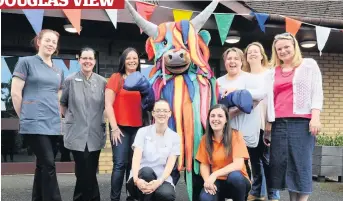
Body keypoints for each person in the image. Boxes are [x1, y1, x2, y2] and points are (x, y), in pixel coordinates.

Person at [267, 32, 323, 201]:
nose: (283, 51)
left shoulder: (308, 65)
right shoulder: (272, 71)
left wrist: (315, 117)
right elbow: (268, 99)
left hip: (301, 122)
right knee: (285, 164)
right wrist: (268, 123)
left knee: (301, 164)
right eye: (279, 49)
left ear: (294, 47)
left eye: (286, 47)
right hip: (278, 123)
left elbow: (317, 92)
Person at [11, 29, 64, 201]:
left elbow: (58, 96)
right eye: (47, 40)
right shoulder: (26, 62)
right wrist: (25, 116)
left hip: (53, 123)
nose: (50, 44)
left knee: (42, 165)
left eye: (54, 42)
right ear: (39, 42)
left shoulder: (58, 70)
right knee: (49, 164)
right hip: (34, 121)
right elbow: (15, 93)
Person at [60, 47, 107, 201]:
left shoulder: (102, 82)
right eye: (84, 58)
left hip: (95, 133)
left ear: (95, 61)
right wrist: (69, 119)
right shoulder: (70, 80)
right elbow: (63, 104)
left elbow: (108, 105)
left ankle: (86, 198)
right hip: (77, 133)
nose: (87, 61)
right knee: (81, 171)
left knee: (91, 170)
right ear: (78, 59)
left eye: (90, 58)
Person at [216, 47, 266, 178]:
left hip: (246, 129)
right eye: (229, 58)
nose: (232, 61)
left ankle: (246, 193)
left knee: (244, 163)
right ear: (224, 62)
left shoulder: (251, 79)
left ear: (241, 61)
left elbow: (260, 96)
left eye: (236, 58)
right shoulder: (218, 82)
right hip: (226, 130)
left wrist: (236, 97)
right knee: (225, 163)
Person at [243, 42, 280, 201]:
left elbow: (274, 100)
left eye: (255, 51)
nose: (252, 54)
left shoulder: (270, 74)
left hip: (266, 122)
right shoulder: (244, 76)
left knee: (268, 160)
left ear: (262, 55)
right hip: (249, 124)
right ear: (246, 57)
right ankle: (257, 191)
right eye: (249, 52)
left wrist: (269, 123)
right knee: (254, 160)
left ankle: (273, 193)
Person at [105, 47, 143, 201]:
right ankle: (114, 199)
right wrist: (114, 128)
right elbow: (108, 105)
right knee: (120, 164)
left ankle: (130, 197)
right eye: (128, 58)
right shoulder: (116, 77)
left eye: (135, 58)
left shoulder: (141, 79)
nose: (132, 61)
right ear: (123, 61)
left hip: (138, 129)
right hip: (119, 128)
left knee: (133, 166)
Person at [126, 99, 180, 201]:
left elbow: (170, 165)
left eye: (165, 111)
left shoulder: (175, 137)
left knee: (167, 195)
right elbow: (136, 158)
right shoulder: (142, 132)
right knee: (147, 172)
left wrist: (158, 182)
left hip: (161, 178)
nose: (161, 114)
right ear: (153, 113)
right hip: (140, 177)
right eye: (158, 111)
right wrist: (137, 180)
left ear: (170, 114)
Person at [196, 104, 251, 201]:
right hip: (218, 182)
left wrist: (214, 174)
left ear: (226, 120)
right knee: (205, 198)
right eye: (212, 116)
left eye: (220, 116)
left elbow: (238, 164)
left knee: (235, 177)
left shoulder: (235, 135)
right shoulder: (205, 139)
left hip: (238, 182)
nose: (215, 119)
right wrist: (208, 181)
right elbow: (204, 164)